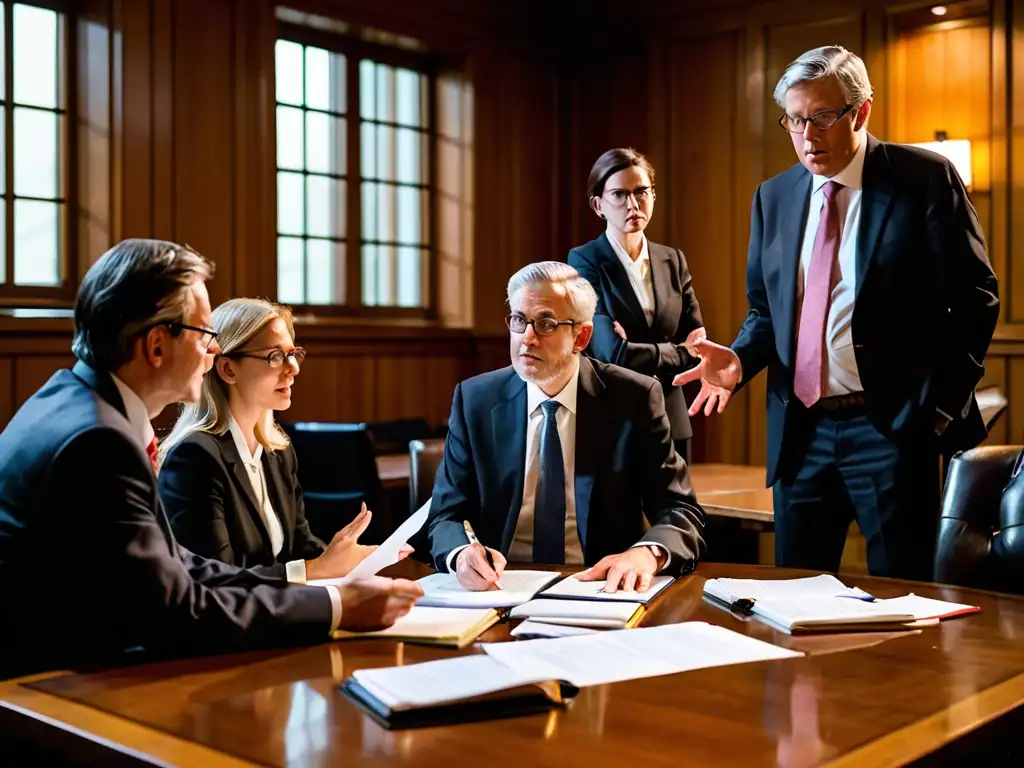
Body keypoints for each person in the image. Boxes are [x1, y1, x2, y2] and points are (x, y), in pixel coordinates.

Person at [0, 239, 423, 679]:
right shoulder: (97, 441)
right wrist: (338, 605)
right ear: (157, 346)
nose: (215, 351)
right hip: (40, 692)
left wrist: (324, 589)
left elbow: (184, 566)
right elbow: (177, 612)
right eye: (204, 334)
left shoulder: (71, 401)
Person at [674, 46, 999, 580]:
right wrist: (739, 360)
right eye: (795, 120)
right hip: (801, 431)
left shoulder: (923, 178)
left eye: (822, 118)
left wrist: (937, 410)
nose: (808, 135)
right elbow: (766, 310)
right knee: (796, 597)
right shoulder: (773, 196)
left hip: (892, 427)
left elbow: (975, 298)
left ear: (861, 112)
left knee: (903, 597)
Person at [426, 261, 706, 593]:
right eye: (519, 320)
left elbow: (681, 511)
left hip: (600, 587)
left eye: (545, 323)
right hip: (499, 590)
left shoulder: (634, 398)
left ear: (581, 336)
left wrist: (646, 555)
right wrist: (461, 555)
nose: (527, 339)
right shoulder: (476, 400)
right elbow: (445, 516)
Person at [158, 298, 405, 576]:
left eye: (293, 353)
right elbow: (216, 581)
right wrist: (316, 569)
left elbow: (299, 548)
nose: (293, 368)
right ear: (228, 369)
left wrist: (349, 560)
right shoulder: (195, 457)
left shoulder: (278, 451)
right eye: (275, 356)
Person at [568, 148, 705, 460]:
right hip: (616, 420)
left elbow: (699, 347)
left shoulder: (672, 259)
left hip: (672, 419)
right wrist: (678, 349)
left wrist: (639, 349)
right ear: (598, 204)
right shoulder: (584, 260)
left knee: (677, 508)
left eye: (641, 192)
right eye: (619, 194)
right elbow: (609, 351)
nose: (633, 204)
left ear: (653, 195)